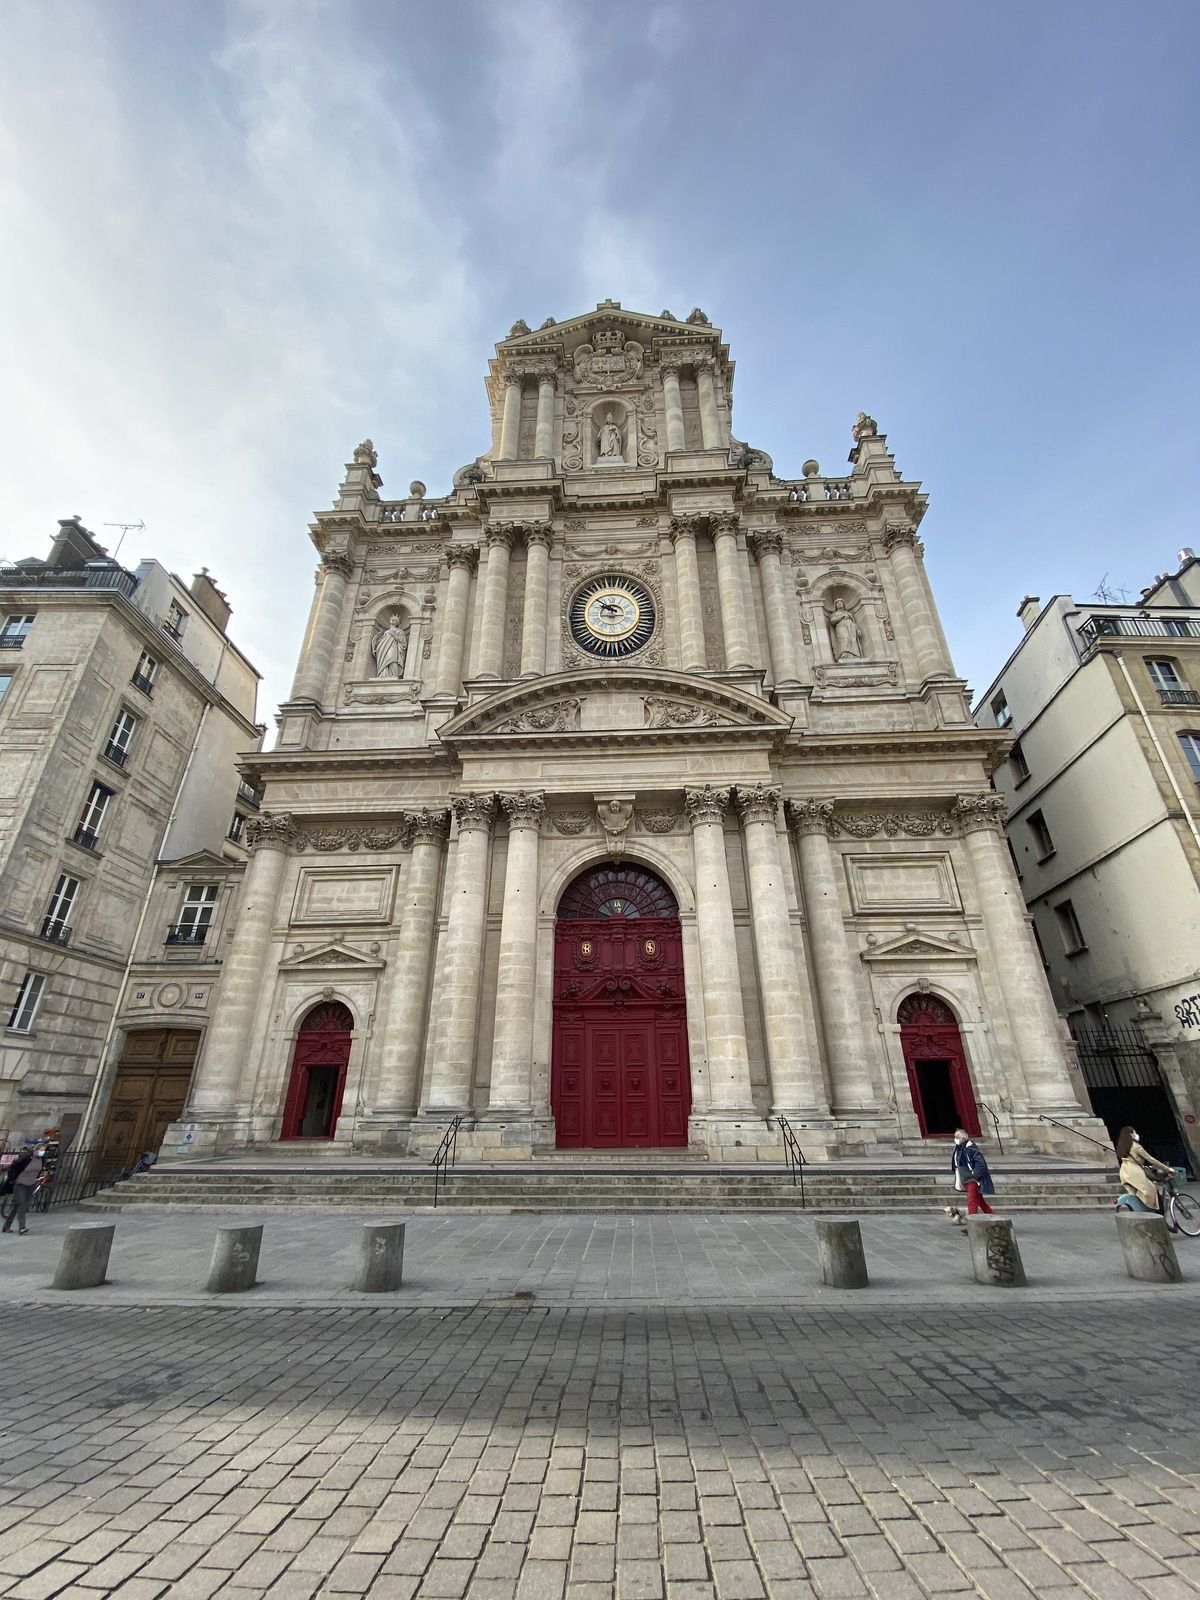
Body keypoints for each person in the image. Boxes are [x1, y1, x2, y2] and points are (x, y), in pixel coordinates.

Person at [1115, 1125, 1174, 1213]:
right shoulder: (1135, 1146)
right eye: (1134, 1132)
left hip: (1124, 1172)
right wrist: (1167, 1169)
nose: (1136, 1134)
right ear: (1131, 1134)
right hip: (1134, 1171)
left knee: (1136, 1196)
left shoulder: (1122, 1146)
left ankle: (1143, 1213)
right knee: (1152, 1192)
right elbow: (1151, 1159)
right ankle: (1160, 1217)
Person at [946, 1129, 995, 1223]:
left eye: (957, 1137)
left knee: (971, 1201)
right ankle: (992, 1218)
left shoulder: (971, 1149)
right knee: (980, 1201)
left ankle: (972, 1224)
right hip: (965, 1179)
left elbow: (980, 1163)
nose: (955, 1139)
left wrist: (975, 1176)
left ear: (963, 1139)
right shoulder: (959, 1149)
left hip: (972, 1179)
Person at [2, 1141, 45, 1235]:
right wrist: (13, 1179)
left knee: (17, 1206)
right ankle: (22, 1227)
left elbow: (39, 1171)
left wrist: (37, 1180)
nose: (42, 1152)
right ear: (36, 1150)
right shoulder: (27, 1158)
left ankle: (6, 1226)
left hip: (31, 1184)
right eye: (41, 1150)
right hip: (20, 1184)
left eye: (44, 1150)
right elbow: (15, 1167)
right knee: (22, 1204)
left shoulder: (42, 1159)